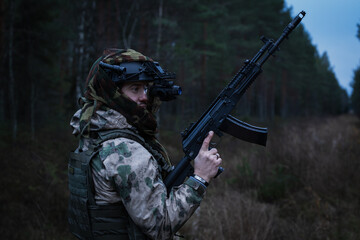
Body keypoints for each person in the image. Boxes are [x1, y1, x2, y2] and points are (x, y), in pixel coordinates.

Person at [68, 48, 222, 240]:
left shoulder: (93, 134)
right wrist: (200, 178)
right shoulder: (125, 150)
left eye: (145, 88)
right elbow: (160, 225)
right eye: (135, 89)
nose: (144, 97)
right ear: (112, 94)